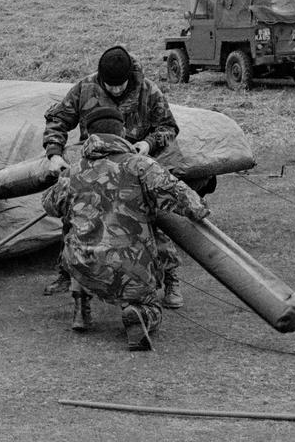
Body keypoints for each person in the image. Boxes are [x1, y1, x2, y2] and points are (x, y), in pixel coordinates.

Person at [42, 106, 210, 351]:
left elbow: (49, 205)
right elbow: (185, 200)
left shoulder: (72, 171)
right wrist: (201, 210)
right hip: (129, 266)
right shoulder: (141, 166)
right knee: (149, 303)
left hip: (82, 265)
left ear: (88, 135)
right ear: (122, 131)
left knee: (76, 239)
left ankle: (81, 306)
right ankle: (138, 314)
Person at [42, 44, 189, 307]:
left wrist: (148, 144)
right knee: (75, 219)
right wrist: (54, 153)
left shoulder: (148, 90)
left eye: (121, 85)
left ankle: (171, 279)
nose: (117, 90)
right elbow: (57, 120)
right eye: (111, 86)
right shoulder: (84, 88)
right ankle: (68, 274)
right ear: (101, 78)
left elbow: (168, 126)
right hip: (96, 166)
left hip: (136, 168)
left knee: (153, 222)